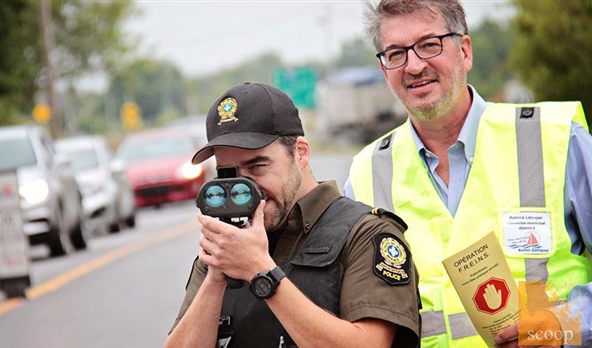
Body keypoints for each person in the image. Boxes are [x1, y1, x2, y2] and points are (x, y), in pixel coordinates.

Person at [344, 1, 592, 347]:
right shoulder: (366, 174)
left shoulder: (554, 138)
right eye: (396, 53)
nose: (414, 66)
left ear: (465, 52)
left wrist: (565, 324)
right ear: (385, 71)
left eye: (430, 45)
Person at [164, 82, 420, 348]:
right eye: (229, 174)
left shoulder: (364, 235)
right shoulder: (224, 250)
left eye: (257, 166)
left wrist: (261, 271)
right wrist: (216, 276)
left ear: (300, 153)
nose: (244, 189)